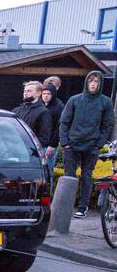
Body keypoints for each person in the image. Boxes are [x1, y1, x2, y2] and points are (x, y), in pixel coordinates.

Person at [60, 70, 115, 218]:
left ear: (100, 84)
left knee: (87, 176)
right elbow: (64, 122)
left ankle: (82, 208)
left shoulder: (105, 102)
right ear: (86, 82)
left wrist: (98, 144)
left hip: (91, 145)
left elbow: (108, 125)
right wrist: (65, 143)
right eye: (91, 81)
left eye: (96, 81)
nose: (93, 84)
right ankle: (65, 206)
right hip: (71, 144)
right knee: (69, 176)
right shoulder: (74, 100)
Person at [12, 81, 52, 150]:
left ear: (38, 93)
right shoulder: (16, 110)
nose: (25, 93)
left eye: (29, 91)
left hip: (30, 151)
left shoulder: (44, 112)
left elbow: (44, 138)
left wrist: (31, 148)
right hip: (14, 147)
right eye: (25, 91)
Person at [40, 82, 64, 178]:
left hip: (50, 145)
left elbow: (60, 127)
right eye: (44, 93)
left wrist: (53, 144)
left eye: (48, 94)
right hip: (39, 142)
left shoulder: (59, 107)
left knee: (48, 171)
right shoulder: (39, 105)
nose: (46, 96)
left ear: (53, 94)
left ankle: (48, 187)